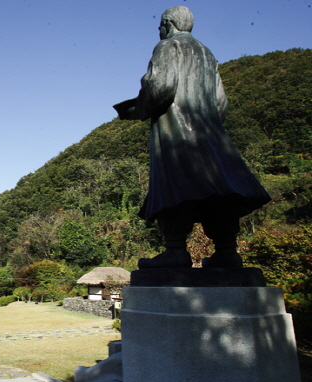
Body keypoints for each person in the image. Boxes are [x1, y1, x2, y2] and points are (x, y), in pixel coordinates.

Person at [115, 6, 270, 269]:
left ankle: (175, 250)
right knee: (215, 188)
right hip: (209, 135)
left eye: (160, 25)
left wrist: (138, 108)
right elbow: (221, 101)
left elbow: (160, 86)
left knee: (174, 184)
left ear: (168, 23)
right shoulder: (207, 53)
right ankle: (227, 251)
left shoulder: (167, 47)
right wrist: (207, 122)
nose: (159, 30)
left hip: (175, 132)